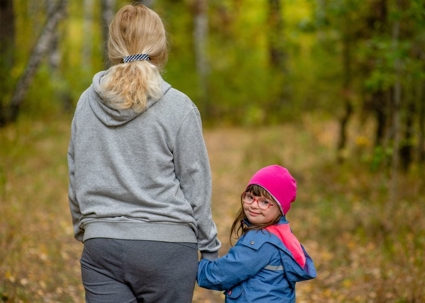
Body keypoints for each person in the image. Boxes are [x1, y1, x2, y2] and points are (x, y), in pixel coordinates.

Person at [67, 4, 221, 303]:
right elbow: (195, 182)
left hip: (103, 245)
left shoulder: (86, 103)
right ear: (160, 47)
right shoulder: (179, 106)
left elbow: (76, 170)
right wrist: (209, 247)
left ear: (113, 46)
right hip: (169, 248)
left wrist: (85, 228)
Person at [197, 165, 316, 302]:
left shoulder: (261, 241)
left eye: (265, 202)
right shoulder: (281, 234)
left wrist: (195, 267)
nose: (254, 205)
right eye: (250, 197)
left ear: (280, 208)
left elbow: (222, 275)